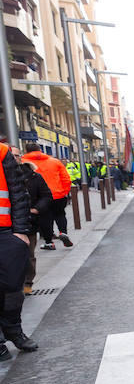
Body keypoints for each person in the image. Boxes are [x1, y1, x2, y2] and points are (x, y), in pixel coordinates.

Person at [0, 139, 36, 359]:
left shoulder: (2, 152)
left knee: (13, 287)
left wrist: (20, 231)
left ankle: (14, 330)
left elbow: (18, 192)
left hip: (5, 233)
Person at [21, 144, 72, 247]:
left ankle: (49, 242)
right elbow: (66, 179)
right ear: (40, 150)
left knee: (45, 219)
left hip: (39, 197)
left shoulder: (23, 162)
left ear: (26, 150)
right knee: (60, 215)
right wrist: (64, 192)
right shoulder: (55, 161)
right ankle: (63, 232)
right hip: (57, 194)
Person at [19, 160, 49, 295]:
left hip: (28, 221)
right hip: (6, 223)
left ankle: (27, 284)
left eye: (16, 155)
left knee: (28, 254)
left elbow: (46, 196)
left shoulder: (34, 176)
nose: (14, 158)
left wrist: (36, 209)